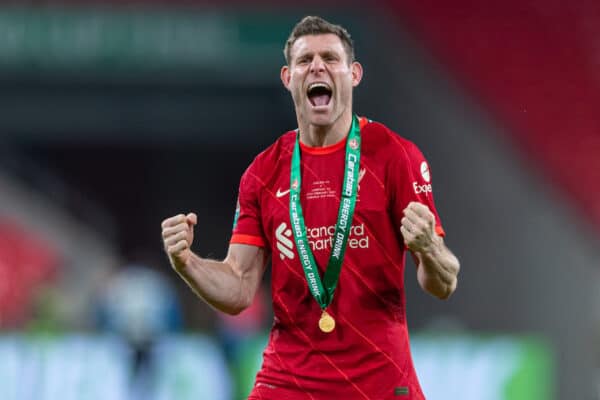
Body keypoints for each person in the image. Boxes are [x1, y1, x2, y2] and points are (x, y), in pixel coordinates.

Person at [161, 15, 460, 400]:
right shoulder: (264, 171)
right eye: (305, 61)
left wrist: (429, 248)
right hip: (290, 379)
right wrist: (187, 262)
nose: (317, 67)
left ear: (354, 74)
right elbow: (238, 289)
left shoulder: (394, 155)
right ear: (288, 78)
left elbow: (444, 284)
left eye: (330, 58)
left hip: (378, 379)